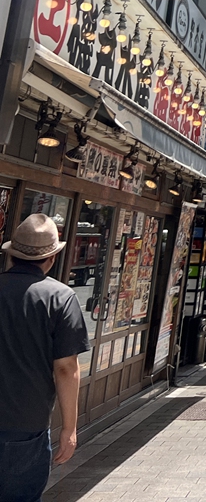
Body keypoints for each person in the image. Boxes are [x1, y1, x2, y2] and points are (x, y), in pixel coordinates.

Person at [0, 214, 90, 500]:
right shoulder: (60, 298)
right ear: (51, 258)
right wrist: (69, 429)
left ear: (12, 255)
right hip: (25, 425)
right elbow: (65, 368)